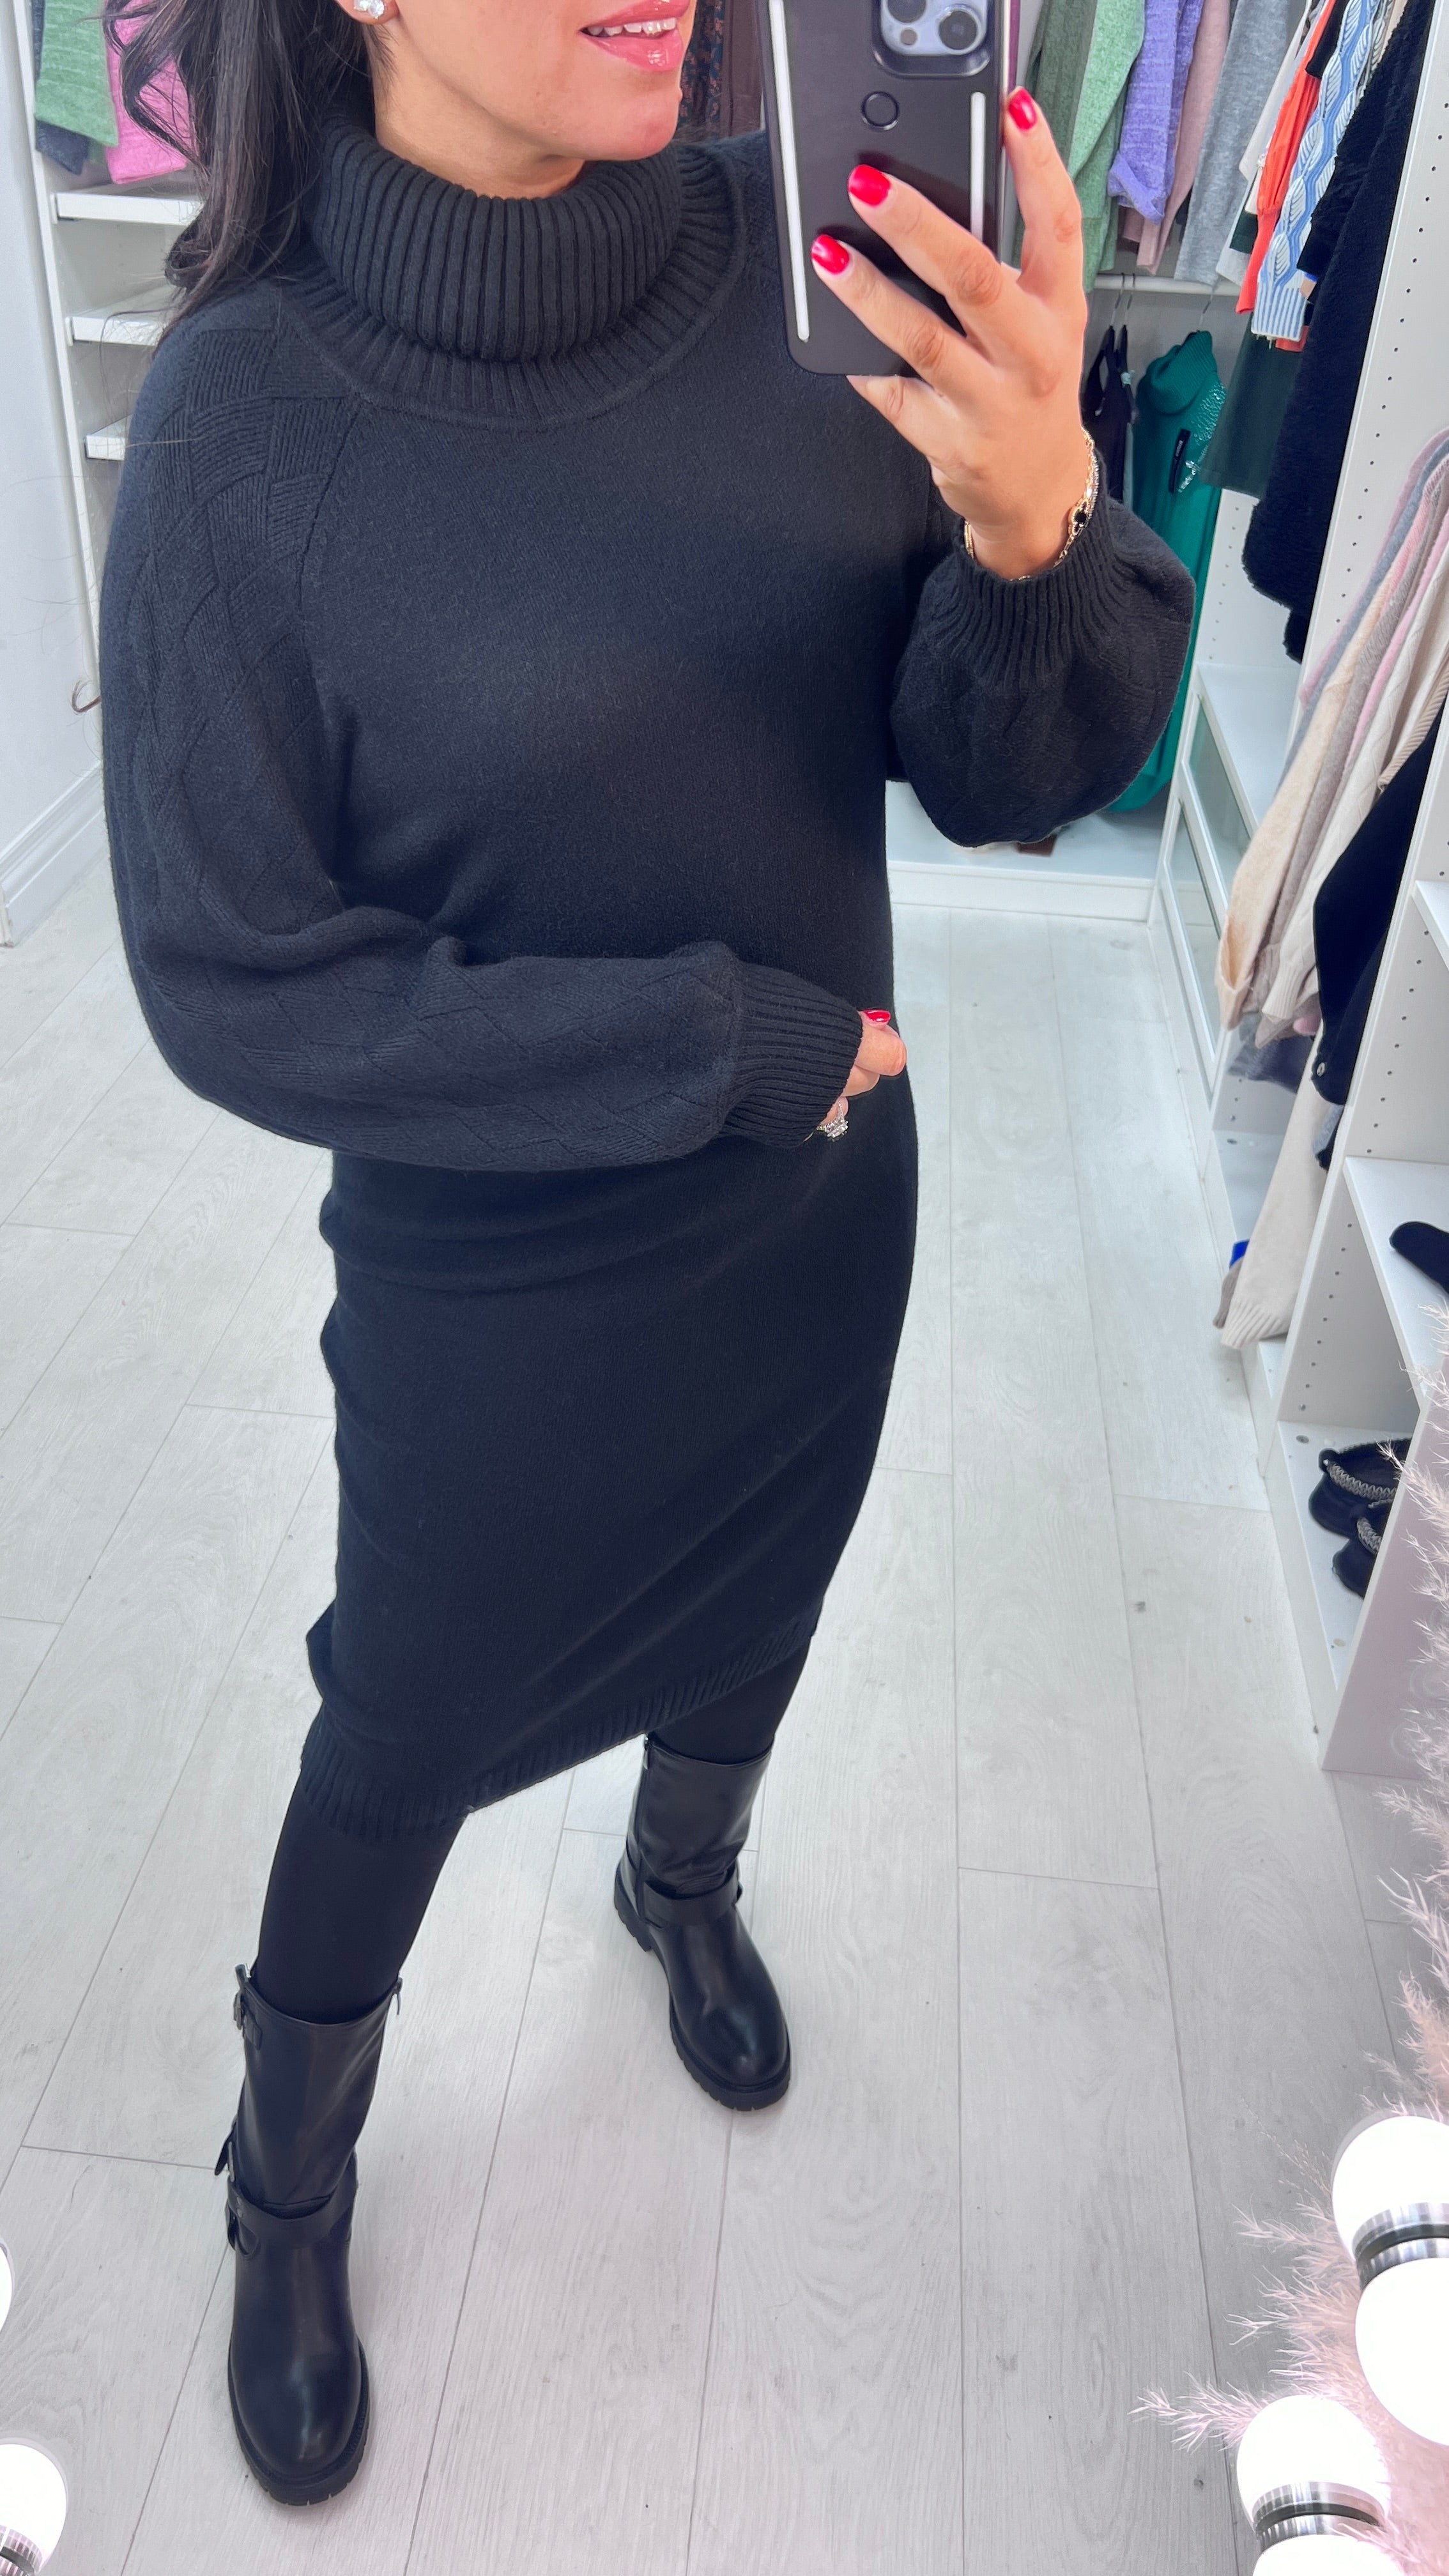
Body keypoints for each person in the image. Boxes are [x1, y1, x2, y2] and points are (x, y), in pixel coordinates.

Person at [100, 0, 1192, 2510]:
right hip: (503, 1298)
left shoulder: (813, 270)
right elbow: (238, 978)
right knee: (399, 1728)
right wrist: (712, 1048)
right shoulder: (249, 431)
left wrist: (1033, 518)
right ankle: (288, 2184)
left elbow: (1001, 780)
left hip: (819, 1219)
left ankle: (679, 1879)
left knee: (764, 1597)